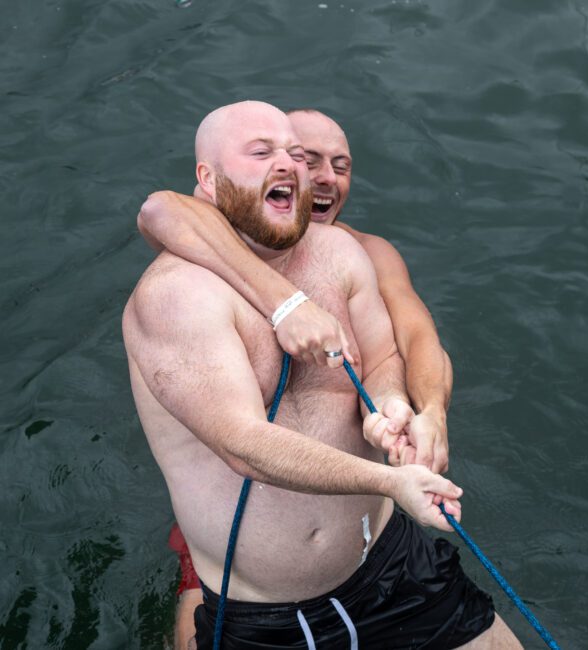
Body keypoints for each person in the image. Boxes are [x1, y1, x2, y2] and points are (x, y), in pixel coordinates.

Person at [124, 100, 521, 648]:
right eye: (263, 152)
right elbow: (245, 446)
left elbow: (389, 357)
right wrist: (390, 480)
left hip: (391, 563)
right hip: (271, 618)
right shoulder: (175, 295)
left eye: (295, 155)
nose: (292, 166)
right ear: (207, 179)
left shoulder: (343, 252)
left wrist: (395, 409)